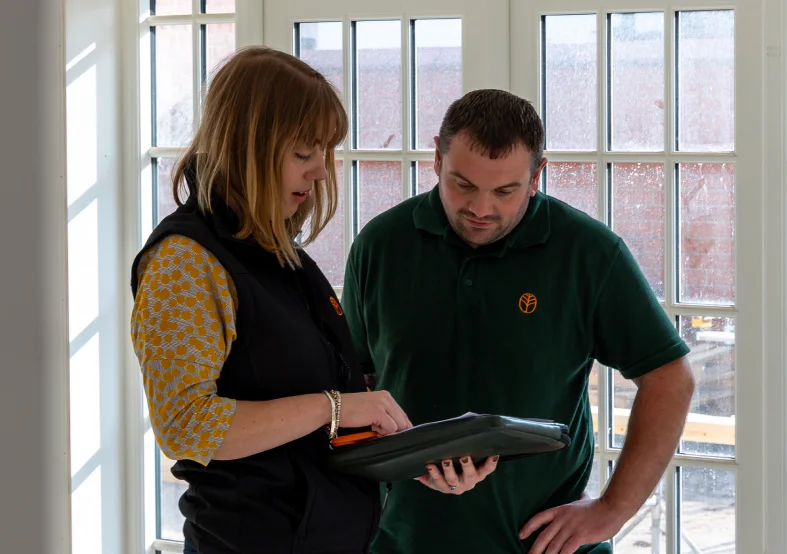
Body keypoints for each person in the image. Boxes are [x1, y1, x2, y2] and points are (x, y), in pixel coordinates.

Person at [341, 89, 696, 554]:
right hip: (399, 540)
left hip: (542, 545)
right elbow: (351, 387)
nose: (481, 208)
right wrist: (398, 453)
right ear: (436, 159)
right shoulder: (381, 245)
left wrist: (611, 511)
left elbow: (670, 377)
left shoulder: (588, 253)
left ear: (536, 176)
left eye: (505, 191)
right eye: (462, 184)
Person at [129, 46, 415, 554]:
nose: (322, 172)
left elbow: (314, 406)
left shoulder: (282, 260)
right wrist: (335, 408)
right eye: (304, 153)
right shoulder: (184, 265)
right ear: (247, 148)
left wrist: (413, 456)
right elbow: (186, 425)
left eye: (324, 152)